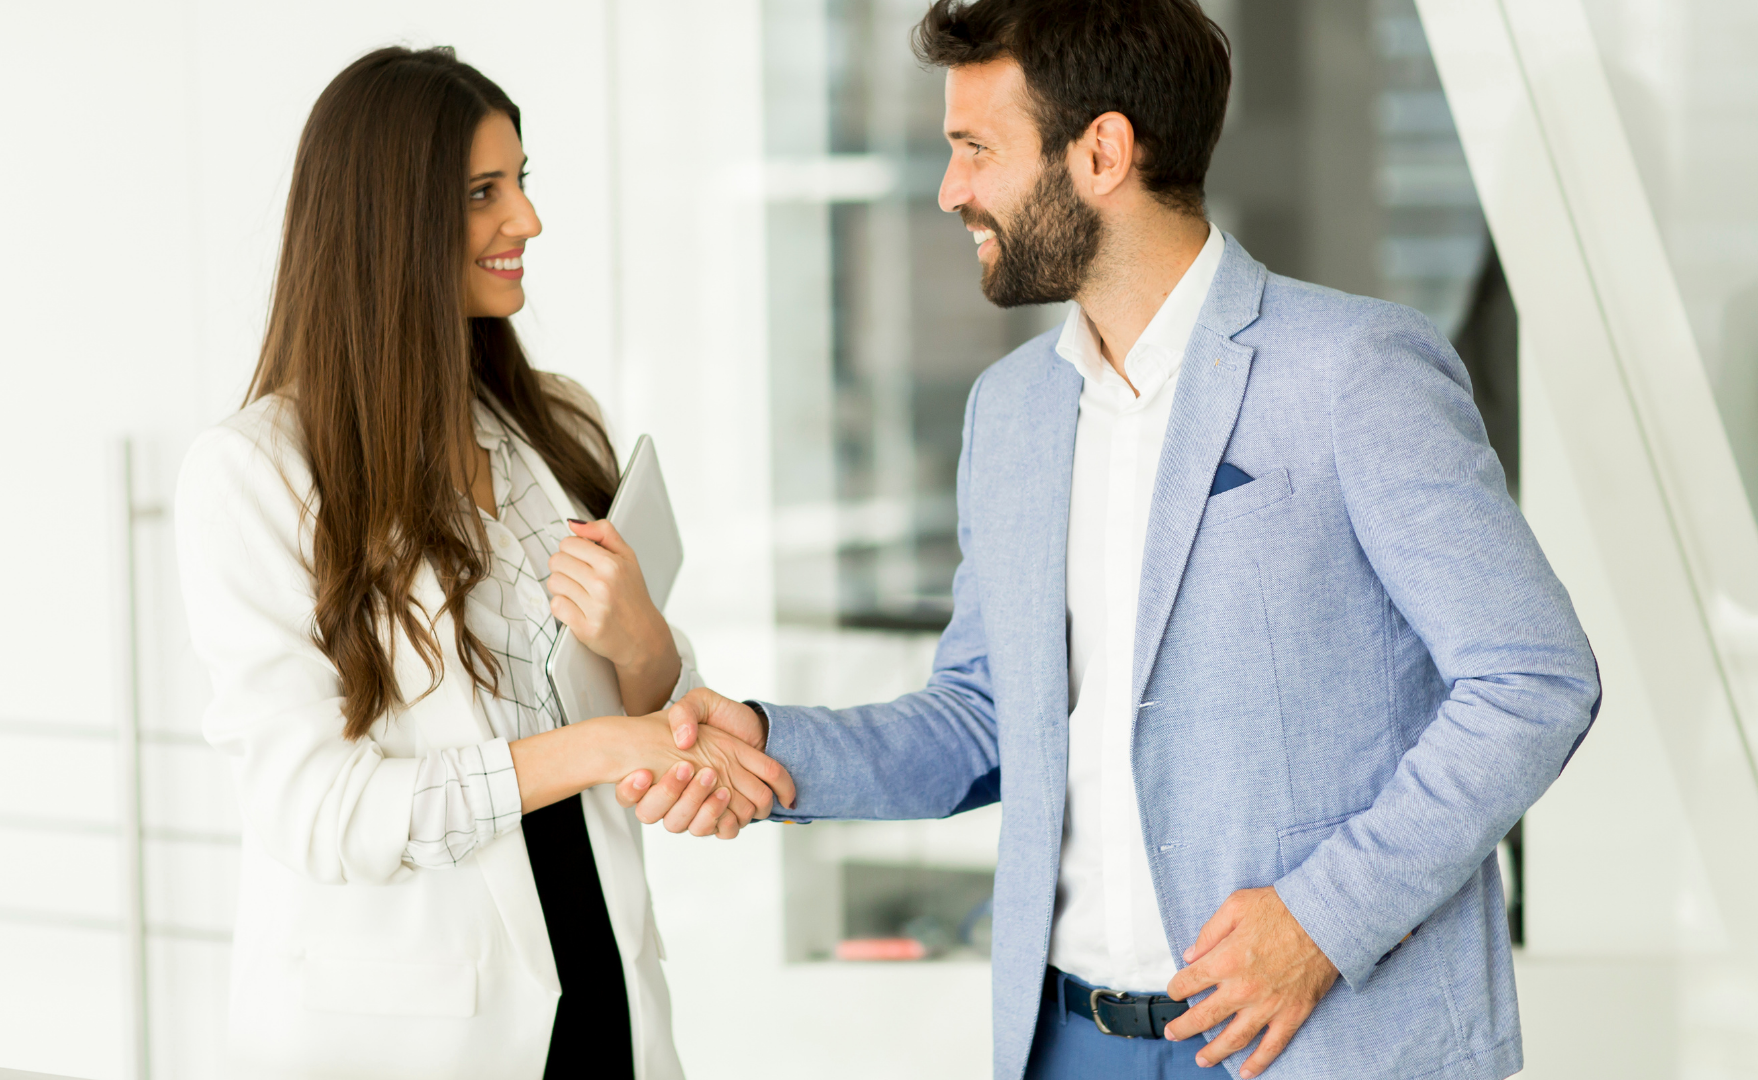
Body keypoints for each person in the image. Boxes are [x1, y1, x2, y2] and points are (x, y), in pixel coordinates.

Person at [624, 2, 1600, 1078]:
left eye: (976, 150)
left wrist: (1325, 919)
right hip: (1067, 1042)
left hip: (1320, 1038)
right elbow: (988, 714)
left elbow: (1531, 678)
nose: (953, 192)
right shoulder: (1011, 412)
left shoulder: (1352, 370)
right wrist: (770, 747)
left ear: (1102, 151)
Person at [173, 46, 791, 1080]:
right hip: (416, 1029)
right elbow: (321, 812)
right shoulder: (252, 476)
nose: (526, 222)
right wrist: (600, 748)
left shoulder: (556, 423)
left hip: (603, 990)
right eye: (482, 193)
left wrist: (645, 642)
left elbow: (635, 701)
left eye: (522, 182)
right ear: (387, 221)